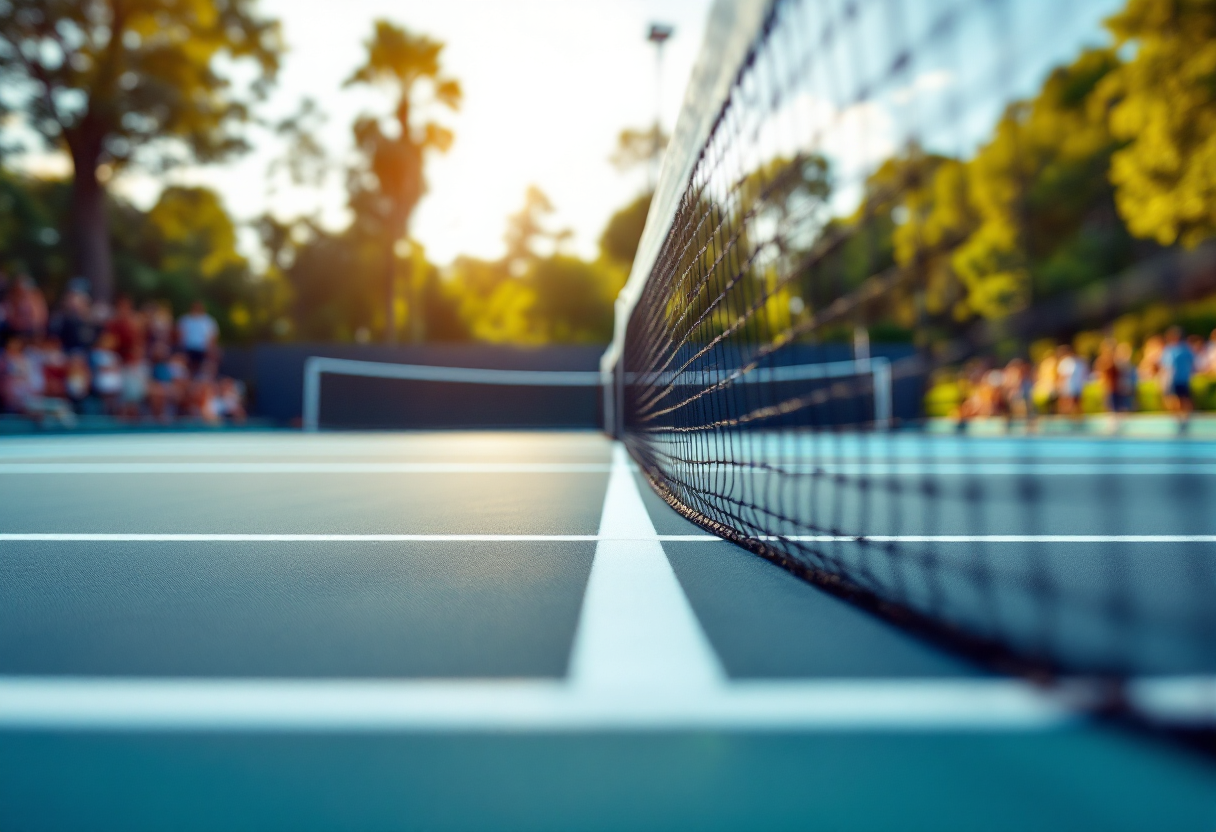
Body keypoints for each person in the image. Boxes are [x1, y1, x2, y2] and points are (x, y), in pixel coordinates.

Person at [1161, 327, 1196, 430]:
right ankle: (1178, 419)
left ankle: (1185, 419)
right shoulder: (1169, 350)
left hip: (1183, 379)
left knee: (1184, 399)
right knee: (1173, 400)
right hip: (1173, 380)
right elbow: (1165, 366)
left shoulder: (1184, 349)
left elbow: (1192, 362)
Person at [177, 301, 218, 375]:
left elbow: (213, 336)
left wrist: (210, 349)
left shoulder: (209, 321)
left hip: (203, 349)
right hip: (187, 348)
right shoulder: (185, 319)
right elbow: (180, 334)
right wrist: (181, 347)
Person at [1056, 344, 1088, 418]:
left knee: (1077, 405)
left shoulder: (1079, 362)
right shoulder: (1065, 362)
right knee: (1067, 406)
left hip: (1076, 387)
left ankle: (1077, 420)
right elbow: (1062, 376)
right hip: (1068, 388)